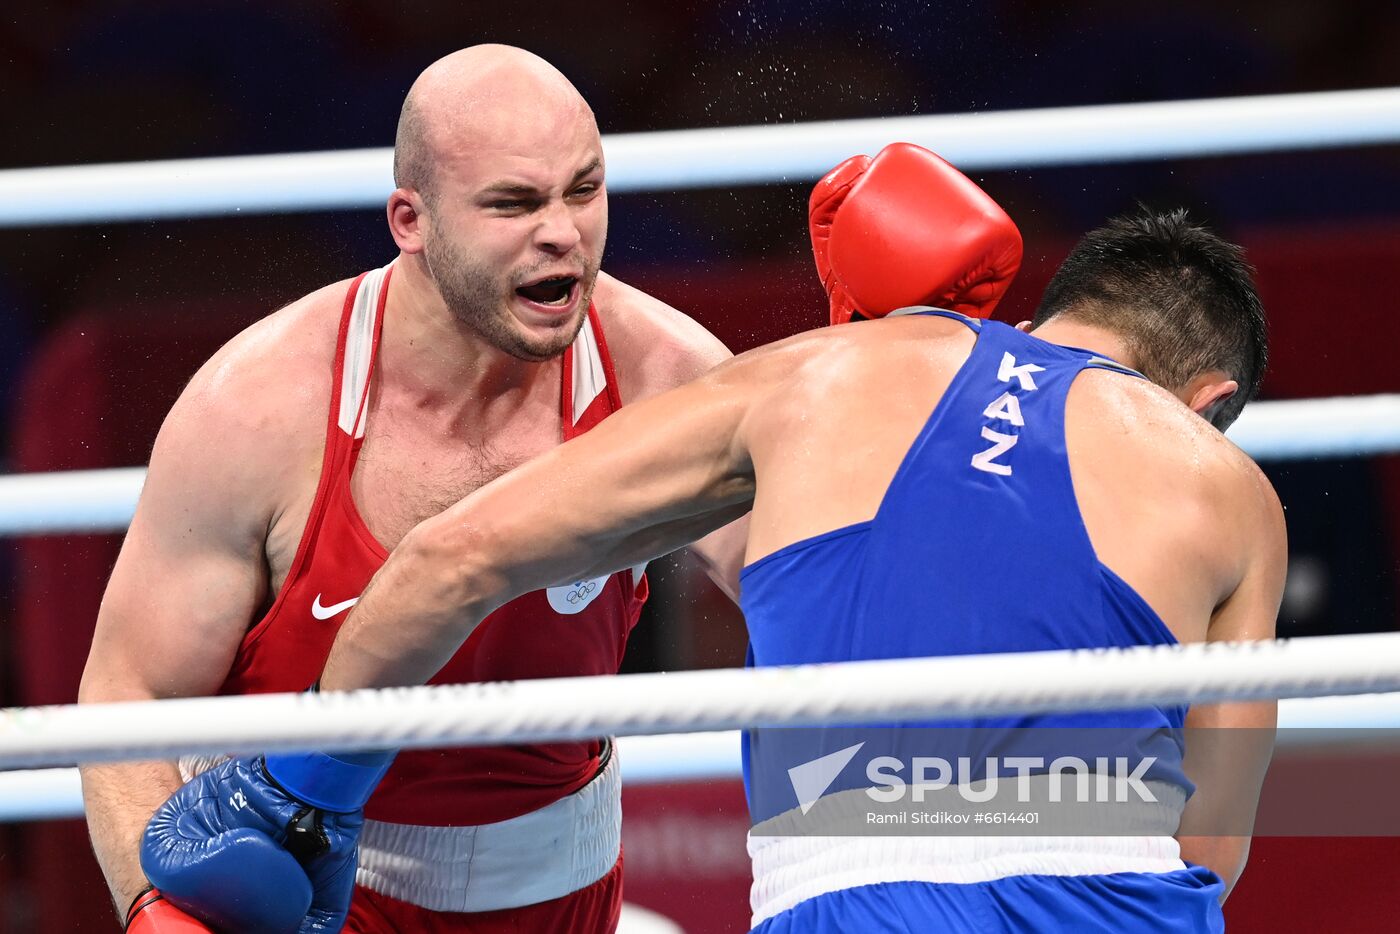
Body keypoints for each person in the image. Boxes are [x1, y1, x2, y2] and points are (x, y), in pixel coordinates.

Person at [140, 144, 1284, 932]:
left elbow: (447, 561)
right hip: (1121, 891)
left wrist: (303, 791)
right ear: (1208, 398)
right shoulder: (1226, 485)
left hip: (857, 889)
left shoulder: (827, 374)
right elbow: (1213, 846)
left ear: (1037, 317)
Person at [78, 44, 750, 933]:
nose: (563, 233)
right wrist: (150, 911)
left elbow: (812, 581)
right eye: (513, 203)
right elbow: (131, 693)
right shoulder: (260, 407)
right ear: (411, 220)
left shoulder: (669, 377)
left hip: (558, 887)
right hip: (296, 872)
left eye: (583, 190)